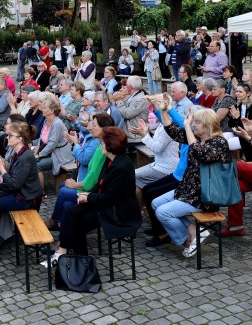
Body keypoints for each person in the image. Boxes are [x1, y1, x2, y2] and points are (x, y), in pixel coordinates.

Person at [43, 127, 142, 267]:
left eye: (102, 143)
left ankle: (80, 262)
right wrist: (87, 194)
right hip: (104, 202)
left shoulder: (121, 166)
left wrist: (88, 198)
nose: (100, 145)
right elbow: (100, 183)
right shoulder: (111, 160)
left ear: (109, 146)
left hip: (116, 211)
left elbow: (110, 198)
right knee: (71, 211)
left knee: (77, 223)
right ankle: (64, 252)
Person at [153, 107, 232, 257]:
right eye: (193, 121)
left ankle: (186, 240)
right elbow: (172, 130)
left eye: (197, 122)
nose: (193, 124)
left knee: (163, 212)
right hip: (187, 189)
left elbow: (199, 153)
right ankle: (192, 229)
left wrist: (188, 127)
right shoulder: (196, 137)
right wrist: (163, 110)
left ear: (207, 125)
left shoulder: (219, 142)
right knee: (156, 203)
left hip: (204, 195)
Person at [0, 121, 42, 257]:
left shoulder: (26, 156)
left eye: (10, 135)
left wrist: (0, 167)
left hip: (27, 198)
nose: (7, 138)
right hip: (19, 192)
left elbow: (14, 184)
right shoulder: (19, 151)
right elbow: (10, 170)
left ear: (19, 139)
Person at [46, 112, 114, 231]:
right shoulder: (97, 142)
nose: (89, 127)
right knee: (67, 204)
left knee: (63, 191)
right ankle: (65, 233)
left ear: (103, 129)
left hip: (91, 190)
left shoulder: (100, 147)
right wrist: (75, 143)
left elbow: (86, 164)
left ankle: (54, 222)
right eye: (90, 123)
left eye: (93, 124)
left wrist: (75, 184)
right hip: (86, 181)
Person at [35, 97, 72, 191]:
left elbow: (52, 143)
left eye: (44, 108)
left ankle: (40, 192)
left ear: (51, 111)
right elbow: (41, 138)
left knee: (36, 166)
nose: (42, 109)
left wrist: (39, 155)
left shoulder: (57, 124)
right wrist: (36, 151)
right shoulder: (46, 120)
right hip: (50, 152)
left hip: (60, 155)